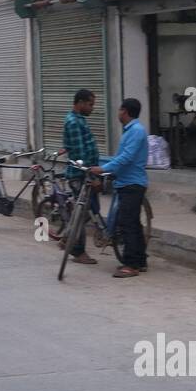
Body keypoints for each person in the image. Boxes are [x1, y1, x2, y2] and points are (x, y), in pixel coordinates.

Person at [103, 98, 150, 278]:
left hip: (133, 183)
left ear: (125, 111)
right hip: (126, 182)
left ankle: (131, 264)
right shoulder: (130, 131)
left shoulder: (136, 131)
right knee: (134, 224)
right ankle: (140, 260)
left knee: (127, 223)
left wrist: (105, 168)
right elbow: (122, 157)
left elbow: (127, 157)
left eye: (119, 110)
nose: (118, 113)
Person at [62, 88, 103, 266]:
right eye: (90, 104)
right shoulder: (73, 122)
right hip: (81, 176)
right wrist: (91, 176)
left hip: (85, 173)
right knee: (82, 212)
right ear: (80, 103)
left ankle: (67, 238)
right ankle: (78, 251)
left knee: (90, 210)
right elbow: (80, 154)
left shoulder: (79, 120)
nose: (92, 108)